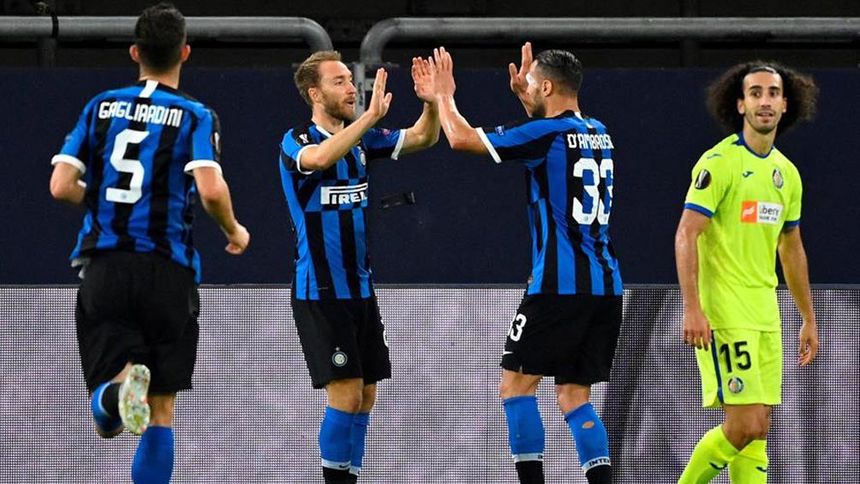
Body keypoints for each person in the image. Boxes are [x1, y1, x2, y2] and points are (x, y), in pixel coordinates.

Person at [49, 3, 249, 483]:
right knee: (162, 410)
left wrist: (101, 200)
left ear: (135, 52)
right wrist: (233, 230)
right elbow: (210, 189)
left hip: (107, 266)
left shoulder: (100, 106)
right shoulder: (196, 114)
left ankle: (114, 395)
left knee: (109, 415)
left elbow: (60, 186)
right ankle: (121, 399)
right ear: (185, 52)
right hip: (168, 272)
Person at [429, 43, 622, 484]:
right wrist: (527, 99)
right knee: (573, 395)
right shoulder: (599, 131)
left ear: (548, 87)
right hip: (605, 286)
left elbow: (461, 138)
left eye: (533, 83)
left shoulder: (546, 134)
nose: (525, 86)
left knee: (516, 386)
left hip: (557, 286)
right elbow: (546, 145)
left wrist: (443, 95)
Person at [278, 51, 440, 483]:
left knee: (366, 395)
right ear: (315, 94)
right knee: (347, 394)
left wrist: (431, 103)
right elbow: (318, 160)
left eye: (351, 79)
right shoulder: (295, 139)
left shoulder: (363, 139)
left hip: (361, 290)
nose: (352, 88)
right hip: (320, 292)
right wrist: (368, 119)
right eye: (339, 81)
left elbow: (423, 138)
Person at [674, 61, 820, 483]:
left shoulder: (787, 175)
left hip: (765, 315)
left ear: (786, 104)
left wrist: (808, 317)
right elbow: (686, 233)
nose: (765, 101)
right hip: (725, 312)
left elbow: (791, 247)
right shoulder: (719, 163)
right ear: (740, 105)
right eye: (755, 93)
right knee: (744, 425)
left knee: (759, 432)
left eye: (773, 93)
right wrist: (692, 307)